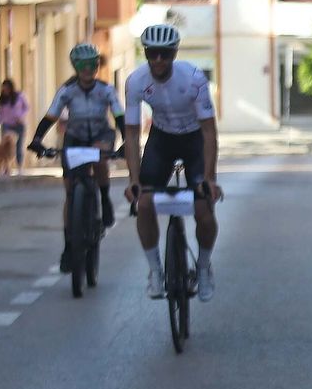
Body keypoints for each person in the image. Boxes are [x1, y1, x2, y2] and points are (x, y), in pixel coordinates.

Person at [122, 23, 222, 302]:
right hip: (161, 139)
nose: (158, 60)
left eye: (165, 54)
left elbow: (209, 131)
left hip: (194, 140)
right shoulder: (136, 81)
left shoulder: (193, 79)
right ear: (145, 53)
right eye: (152, 53)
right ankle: (155, 270)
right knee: (143, 202)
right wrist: (133, 179)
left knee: (203, 206)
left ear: (174, 53)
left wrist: (209, 179)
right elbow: (130, 133)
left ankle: (202, 267)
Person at [27, 44, 125, 269]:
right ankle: (69, 245)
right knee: (70, 192)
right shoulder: (67, 90)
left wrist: (126, 142)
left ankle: (105, 197)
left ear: (97, 67)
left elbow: (119, 116)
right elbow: (50, 116)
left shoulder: (106, 90)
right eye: (82, 66)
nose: (88, 70)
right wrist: (37, 139)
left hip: (101, 133)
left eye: (92, 65)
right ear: (76, 67)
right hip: (75, 137)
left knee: (100, 157)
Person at [0, 79, 31, 174]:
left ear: (10, 88)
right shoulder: (2, 100)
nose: (5, 91)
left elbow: (26, 107)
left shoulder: (19, 96)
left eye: (6, 88)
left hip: (19, 125)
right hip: (7, 125)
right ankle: (5, 168)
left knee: (18, 145)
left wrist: (21, 117)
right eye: (3, 89)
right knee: (4, 147)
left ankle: (19, 167)